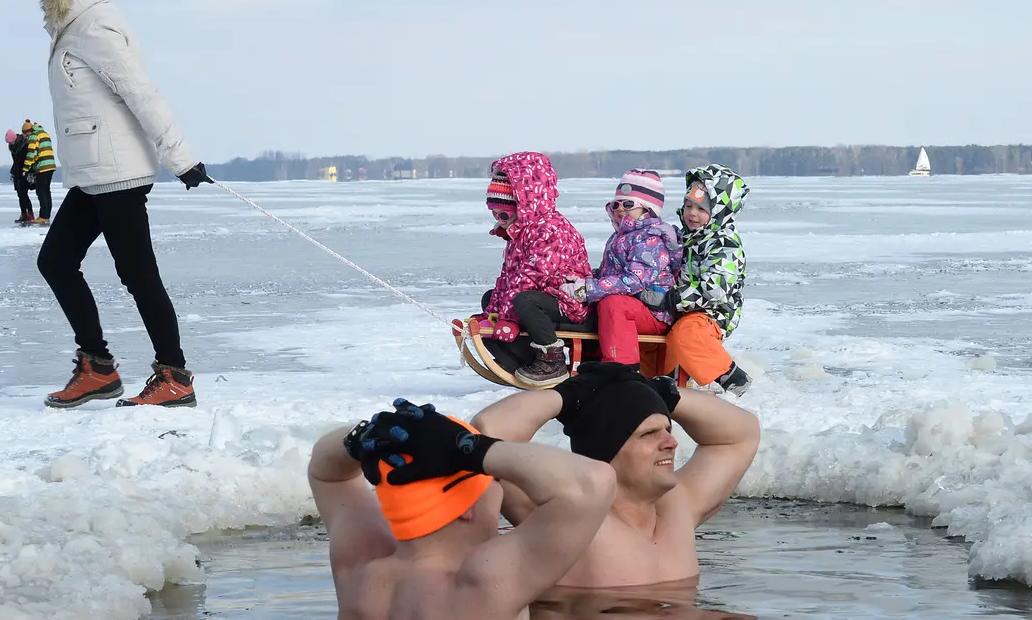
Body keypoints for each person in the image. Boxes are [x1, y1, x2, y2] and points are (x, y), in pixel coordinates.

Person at [24, 0, 215, 409]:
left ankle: (174, 376)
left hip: (118, 175)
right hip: (92, 175)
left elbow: (142, 93)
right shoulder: (73, 28)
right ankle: (98, 368)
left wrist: (182, 159)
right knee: (56, 262)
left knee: (137, 273)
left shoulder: (98, 28)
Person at [310, 397, 617, 619]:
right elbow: (593, 482)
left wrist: (363, 437)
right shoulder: (480, 584)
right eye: (493, 480)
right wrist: (472, 448)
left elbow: (325, 473)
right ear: (465, 509)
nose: (499, 486)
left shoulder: (359, 572)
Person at [471, 362, 761, 588]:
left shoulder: (679, 508)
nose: (671, 443)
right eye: (648, 434)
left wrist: (661, 393)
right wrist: (565, 397)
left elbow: (741, 434)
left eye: (668, 431)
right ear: (606, 452)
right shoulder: (565, 520)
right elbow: (488, 431)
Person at [479, 151, 593, 387]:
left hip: (568, 301)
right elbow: (508, 278)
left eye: (502, 213)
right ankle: (519, 358)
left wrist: (508, 319)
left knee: (524, 301)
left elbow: (531, 276)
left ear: (522, 204)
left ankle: (552, 359)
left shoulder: (549, 229)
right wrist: (490, 314)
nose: (498, 219)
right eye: (493, 213)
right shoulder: (519, 232)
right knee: (492, 298)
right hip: (542, 297)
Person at [558, 169, 681, 374]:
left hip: (653, 312)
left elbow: (634, 280)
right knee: (599, 304)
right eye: (616, 204)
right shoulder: (620, 236)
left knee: (613, 303)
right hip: (632, 308)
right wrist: (584, 279)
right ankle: (586, 362)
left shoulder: (650, 238)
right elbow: (610, 274)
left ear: (647, 209)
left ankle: (622, 369)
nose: (620, 209)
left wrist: (589, 289)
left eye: (628, 204)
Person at [666, 165, 751, 395]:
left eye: (701, 209)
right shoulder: (684, 236)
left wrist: (673, 297)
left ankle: (732, 377)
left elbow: (714, 291)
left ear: (719, 211)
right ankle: (665, 374)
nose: (692, 213)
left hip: (715, 312)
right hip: (682, 307)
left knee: (687, 333)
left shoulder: (725, 244)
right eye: (689, 206)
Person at [19, 119, 57, 224]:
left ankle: (43, 217)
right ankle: (46, 215)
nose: (25, 137)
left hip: (42, 167)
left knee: (40, 191)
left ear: (27, 131)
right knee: (46, 191)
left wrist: (25, 169)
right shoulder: (44, 133)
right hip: (50, 165)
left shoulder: (34, 136)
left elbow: (32, 154)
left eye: (25, 134)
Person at [6, 128, 34, 224]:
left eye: (11, 142)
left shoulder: (24, 145)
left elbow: (27, 158)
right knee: (20, 194)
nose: (10, 144)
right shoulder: (12, 148)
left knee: (24, 194)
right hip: (17, 172)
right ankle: (23, 214)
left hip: (24, 172)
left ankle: (30, 214)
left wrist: (27, 171)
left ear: (15, 139)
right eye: (9, 143)